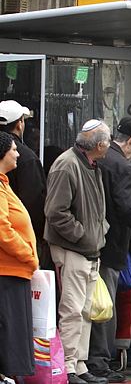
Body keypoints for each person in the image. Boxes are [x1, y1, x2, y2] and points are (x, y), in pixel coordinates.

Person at [88, 117, 131, 382]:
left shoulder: (100, 159)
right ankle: (101, 361)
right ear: (129, 142)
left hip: (93, 241)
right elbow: (130, 208)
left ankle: (93, 358)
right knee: (106, 305)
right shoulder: (121, 165)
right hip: (113, 242)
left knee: (92, 303)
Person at [44, 120, 111, 384]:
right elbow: (55, 213)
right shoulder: (67, 165)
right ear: (100, 145)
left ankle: (79, 364)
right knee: (72, 309)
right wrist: (84, 235)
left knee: (84, 309)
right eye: (107, 142)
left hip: (87, 248)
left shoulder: (89, 165)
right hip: (74, 248)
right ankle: (69, 367)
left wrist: (99, 232)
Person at [0, 131, 39, 382]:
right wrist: (28, 255)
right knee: (8, 338)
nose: (17, 153)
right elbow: (2, 228)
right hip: (8, 272)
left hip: (14, 271)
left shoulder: (4, 183)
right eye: (14, 149)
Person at [0, 100, 48, 269]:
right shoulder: (27, 158)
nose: (16, 155)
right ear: (19, 124)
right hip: (20, 245)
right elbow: (35, 202)